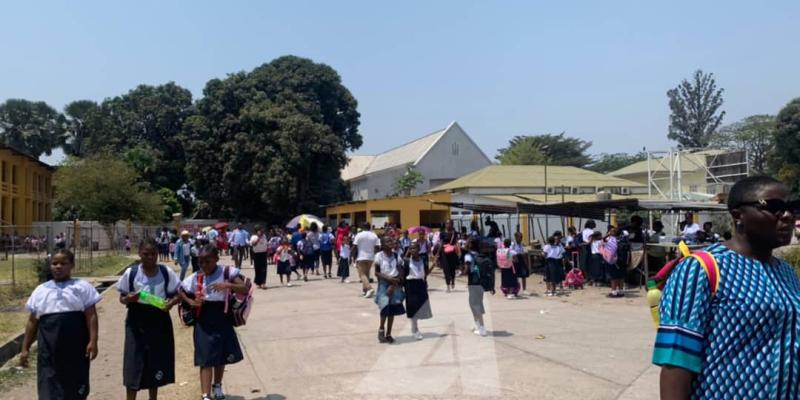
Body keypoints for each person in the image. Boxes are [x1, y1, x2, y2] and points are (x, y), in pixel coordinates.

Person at [655, 176, 800, 399]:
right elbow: (676, 362)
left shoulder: (786, 272)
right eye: (774, 207)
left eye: (792, 208)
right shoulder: (701, 268)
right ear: (738, 215)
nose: (788, 216)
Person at [20, 249, 101, 399]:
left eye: (63, 263)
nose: (58, 266)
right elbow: (32, 322)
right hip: (49, 350)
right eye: (54, 263)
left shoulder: (82, 287)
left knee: (74, 385)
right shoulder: (40, 291)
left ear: (72, 265)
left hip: (75, 348)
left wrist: (93, 340)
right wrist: (25, 348)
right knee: (49, 385)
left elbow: (91, 316)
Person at [179, 244, 248, 400]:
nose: (203, 265)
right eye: (200, 262)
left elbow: (244, 287)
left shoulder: (227, 272)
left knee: (220, 354)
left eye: (207, 261)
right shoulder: (196, 277)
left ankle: (217, 385)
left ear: (216, 259)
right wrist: (191, 302)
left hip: (222, 316)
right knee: (205, 357)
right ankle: (205, 395)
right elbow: (180, 290)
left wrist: (228, 285)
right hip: (203, 319)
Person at [116, 238, 181, 400]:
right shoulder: (131, 273)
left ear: (158, 254)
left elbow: (179, 293)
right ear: (139, 254)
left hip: (159, 321)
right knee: (133, 363)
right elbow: (122, 297)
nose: (150, 257)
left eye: (153, 254)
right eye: (146, 254)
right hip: (136, 321)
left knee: (155, 361)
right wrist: (130, 298)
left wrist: (171, 303)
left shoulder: (166, 273)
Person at [374, 237, 405, 344]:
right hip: (384, 283)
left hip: (395, 283)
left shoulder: (396, 256)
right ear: (382, 244)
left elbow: (401, 270)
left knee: (392, 310)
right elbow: (377, 272)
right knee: (384, 308)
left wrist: (396, 281)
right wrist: (388, 279)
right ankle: (381, 329)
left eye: (391, 241)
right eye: (387, 241)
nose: (391, 243)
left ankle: (389, 334)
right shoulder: (379, 256)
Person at [463, 238, 495, 337]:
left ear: (469, 245)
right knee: (476, 304)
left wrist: (462, 272)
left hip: (473, 283)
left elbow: (467, 269)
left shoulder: (468, 256)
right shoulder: (479, 255)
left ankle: (482, 328)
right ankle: (478, 325)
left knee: (475, 305)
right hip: (481, 283)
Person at [405, 242, 432, 340]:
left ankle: (414, 326)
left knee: (421, 306)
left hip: (421, 284)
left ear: (419, 249)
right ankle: (415, 329)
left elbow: (425, 272)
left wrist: (432, 267)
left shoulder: (423, 260)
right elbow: (403, 274)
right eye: (411, 248)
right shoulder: (406, 261)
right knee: (413, 307)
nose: (413, 250)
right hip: (411, 284)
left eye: (414, 248)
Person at [353, 223, 380, 298]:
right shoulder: (374, 235)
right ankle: (365, 291)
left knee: (361, 274)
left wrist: (351, 256)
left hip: (361, 257)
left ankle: (369, 288)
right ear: (370, 227)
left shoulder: (359, 235)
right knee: (366, 274)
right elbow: (377, 247)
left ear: (362, 227)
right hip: (371, 257)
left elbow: (354, 246)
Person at [437, 220, 460, 293]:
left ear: (452, 224)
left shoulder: (455, 233)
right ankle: (448, 285)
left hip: (452, 253)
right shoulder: (442, 233)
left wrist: (459, 251)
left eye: (449, 223)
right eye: (447, 223)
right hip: (444, 253)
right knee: (446, 269)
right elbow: (441, 243)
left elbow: (456, 242)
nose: (448, 225)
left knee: (452, 269)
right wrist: (438, 253)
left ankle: (452, 280)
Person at [601, 226, 625, 298]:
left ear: (613, 233)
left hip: (614, 260)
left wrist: (608, 235)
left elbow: (603, 243)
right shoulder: (622, 239)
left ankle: (614, 292)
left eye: (611, 231)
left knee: (613, 276)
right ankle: (621, 291)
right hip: (622, 260)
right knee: (621, 276)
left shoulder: (612, 240)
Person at [250, 225, 269, 289]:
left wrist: (267, 250)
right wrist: (258, 238)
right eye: (261, 230)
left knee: (264, 269)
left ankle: (263, 283)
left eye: (262, 229)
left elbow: (266, 244)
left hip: (263, 253)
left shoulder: (264, 236)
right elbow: (253, 244)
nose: (262, 231)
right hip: (257, 254)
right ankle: (258, 282)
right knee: (258, 268)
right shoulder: (253, 237)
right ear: (257, 231)